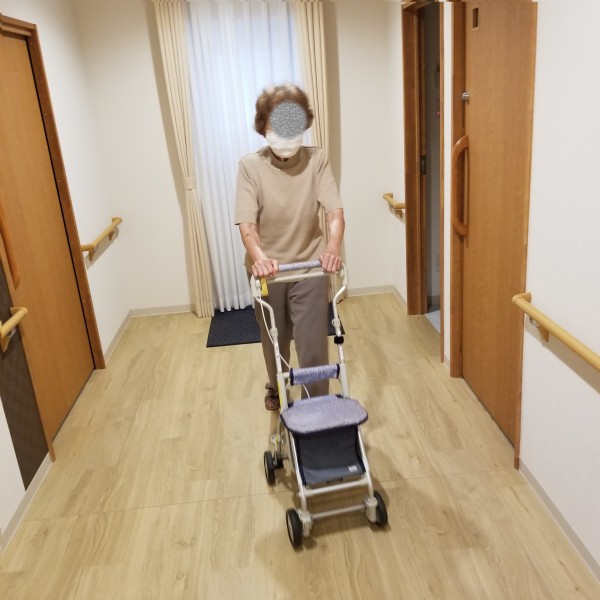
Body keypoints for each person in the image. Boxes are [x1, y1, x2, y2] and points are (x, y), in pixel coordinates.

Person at [234, 83, 345, 410]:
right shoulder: (250, 166)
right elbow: (247, 225)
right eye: (277, 122)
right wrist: (259, 258)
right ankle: (277, 386)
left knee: (313, 343)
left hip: (308, 266)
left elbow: (335, 212)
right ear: (263, 126)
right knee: (275, 338)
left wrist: (333, 247)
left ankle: (317, 405)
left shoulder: (317, 159)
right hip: (267, 270)